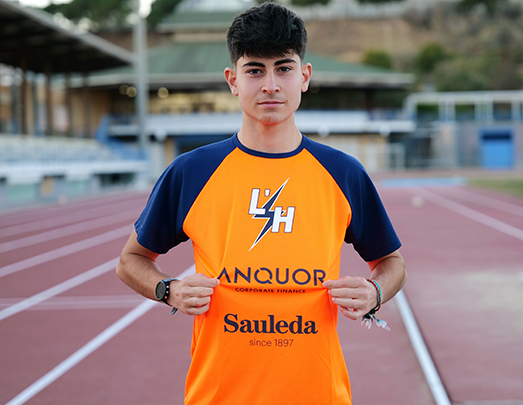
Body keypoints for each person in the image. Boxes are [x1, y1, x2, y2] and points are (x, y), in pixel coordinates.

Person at [116, 3, 406, 404]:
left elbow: (392, 263)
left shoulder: (343, 173)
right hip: (219, 396)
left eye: (283, 68)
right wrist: (169, 290)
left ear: (304, 76)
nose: (270, 85)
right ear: (233, 80)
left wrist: (374, 292)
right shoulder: (192, 172)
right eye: (255, 70)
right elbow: (130, 261)